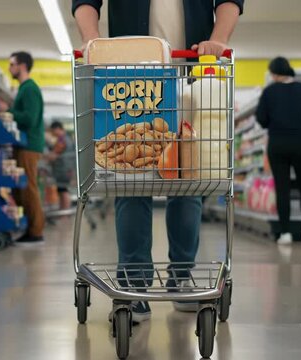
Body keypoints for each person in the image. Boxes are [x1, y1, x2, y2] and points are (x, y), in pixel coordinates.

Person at [73, 0, 243, 322]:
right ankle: (134, 284)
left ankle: (181, 275)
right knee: (131, 180)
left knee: (188, 176)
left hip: (191, 74)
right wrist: (92, 38)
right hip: (130, 77)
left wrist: (218, 37)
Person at [255, 57, 301, 246]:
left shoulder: (269, 92)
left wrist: (274, 125)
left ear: (274, 73)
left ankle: (285, 233)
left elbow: (261, 118)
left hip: (277, 144)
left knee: (282, 188)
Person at [0, 51, 45, 243]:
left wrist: (7, 111)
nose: (10, 68)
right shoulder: (24, 89)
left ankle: (36, 231)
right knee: (22, 188)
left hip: (30, 145)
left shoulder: (30, 89)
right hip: (24, 144)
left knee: (29, 188)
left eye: (12, 64)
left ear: (22, 66)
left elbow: (30, 118)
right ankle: (30, 228)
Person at [47, 121, 74, 210]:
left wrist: (50, 156)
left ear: (58, 129)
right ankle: (63, 210)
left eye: (53, 131)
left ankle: (65, 212)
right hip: (65, 168)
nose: (53, 133)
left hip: (64, 168)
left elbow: (56, 153)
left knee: (63, 190)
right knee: (61, 189)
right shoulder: (66, 138)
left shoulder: (62, 139)